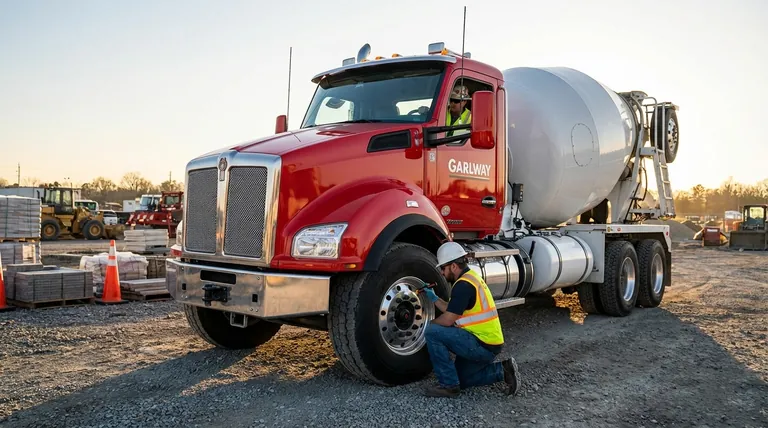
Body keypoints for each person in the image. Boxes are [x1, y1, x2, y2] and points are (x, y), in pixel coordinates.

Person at [420, 241, 521, 398]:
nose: (441, 272)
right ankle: (504, 370)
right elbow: (452, 310)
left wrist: (428, 325)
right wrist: (434, 298)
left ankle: (448, 386)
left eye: (443, 268)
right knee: (462, 379)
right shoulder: (470, 278)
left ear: (454, 266)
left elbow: (447, 320)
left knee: (433, 332)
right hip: (488, 343)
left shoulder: (463, 285)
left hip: (481, 344)